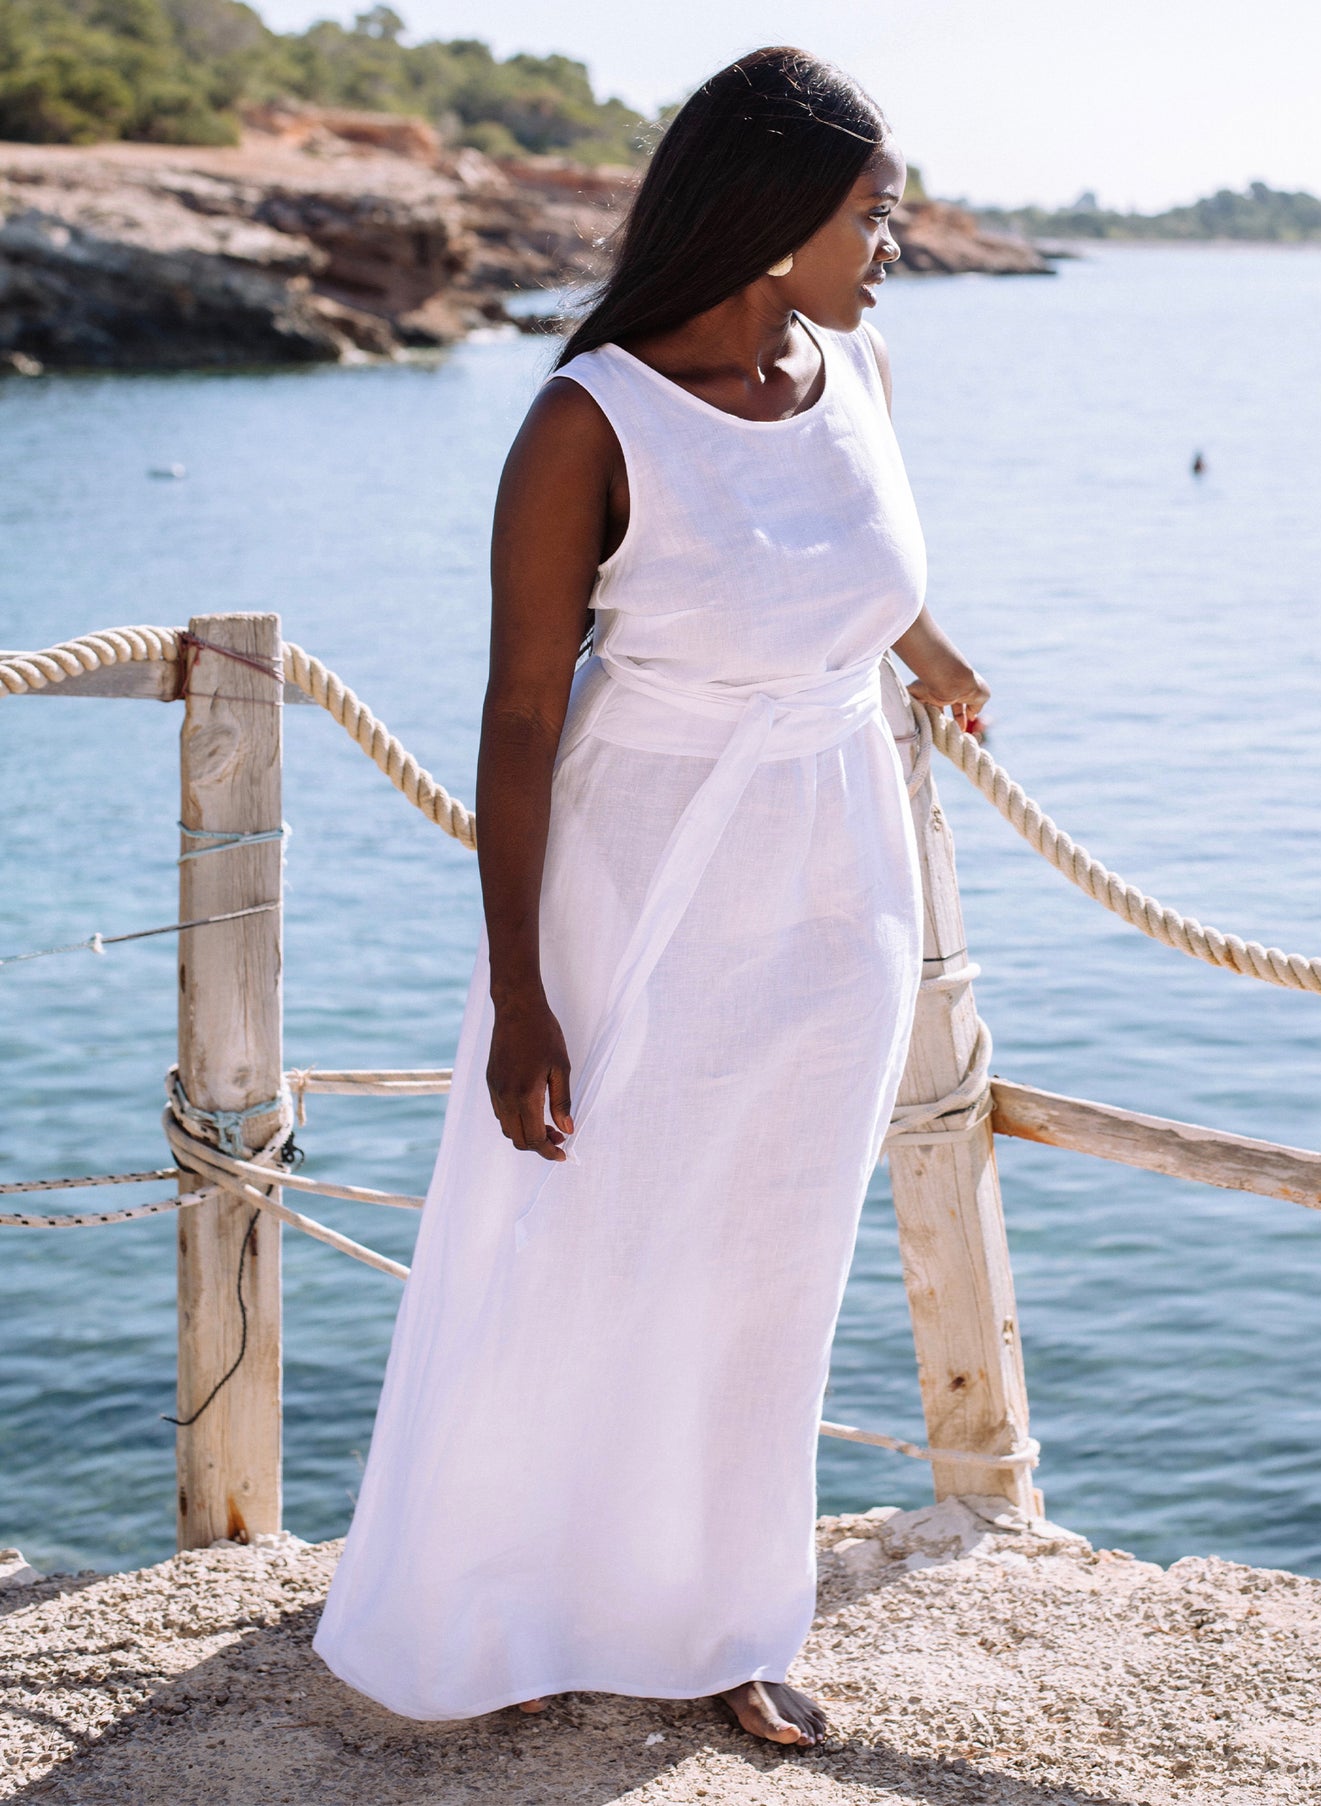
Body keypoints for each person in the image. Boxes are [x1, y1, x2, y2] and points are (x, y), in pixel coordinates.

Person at [312, 45, 989, 1749]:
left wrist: (925, 645)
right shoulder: (583, 421)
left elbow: (818, 546)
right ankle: (505, 1604)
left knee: (770, 1255)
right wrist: (522, 991)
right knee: (580, 1244)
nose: (889, 237)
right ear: (770, 223)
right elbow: (524, 715)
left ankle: (719, 1619)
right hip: (642, 878)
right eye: (868, 210)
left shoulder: (856, 364)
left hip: (837, 867)